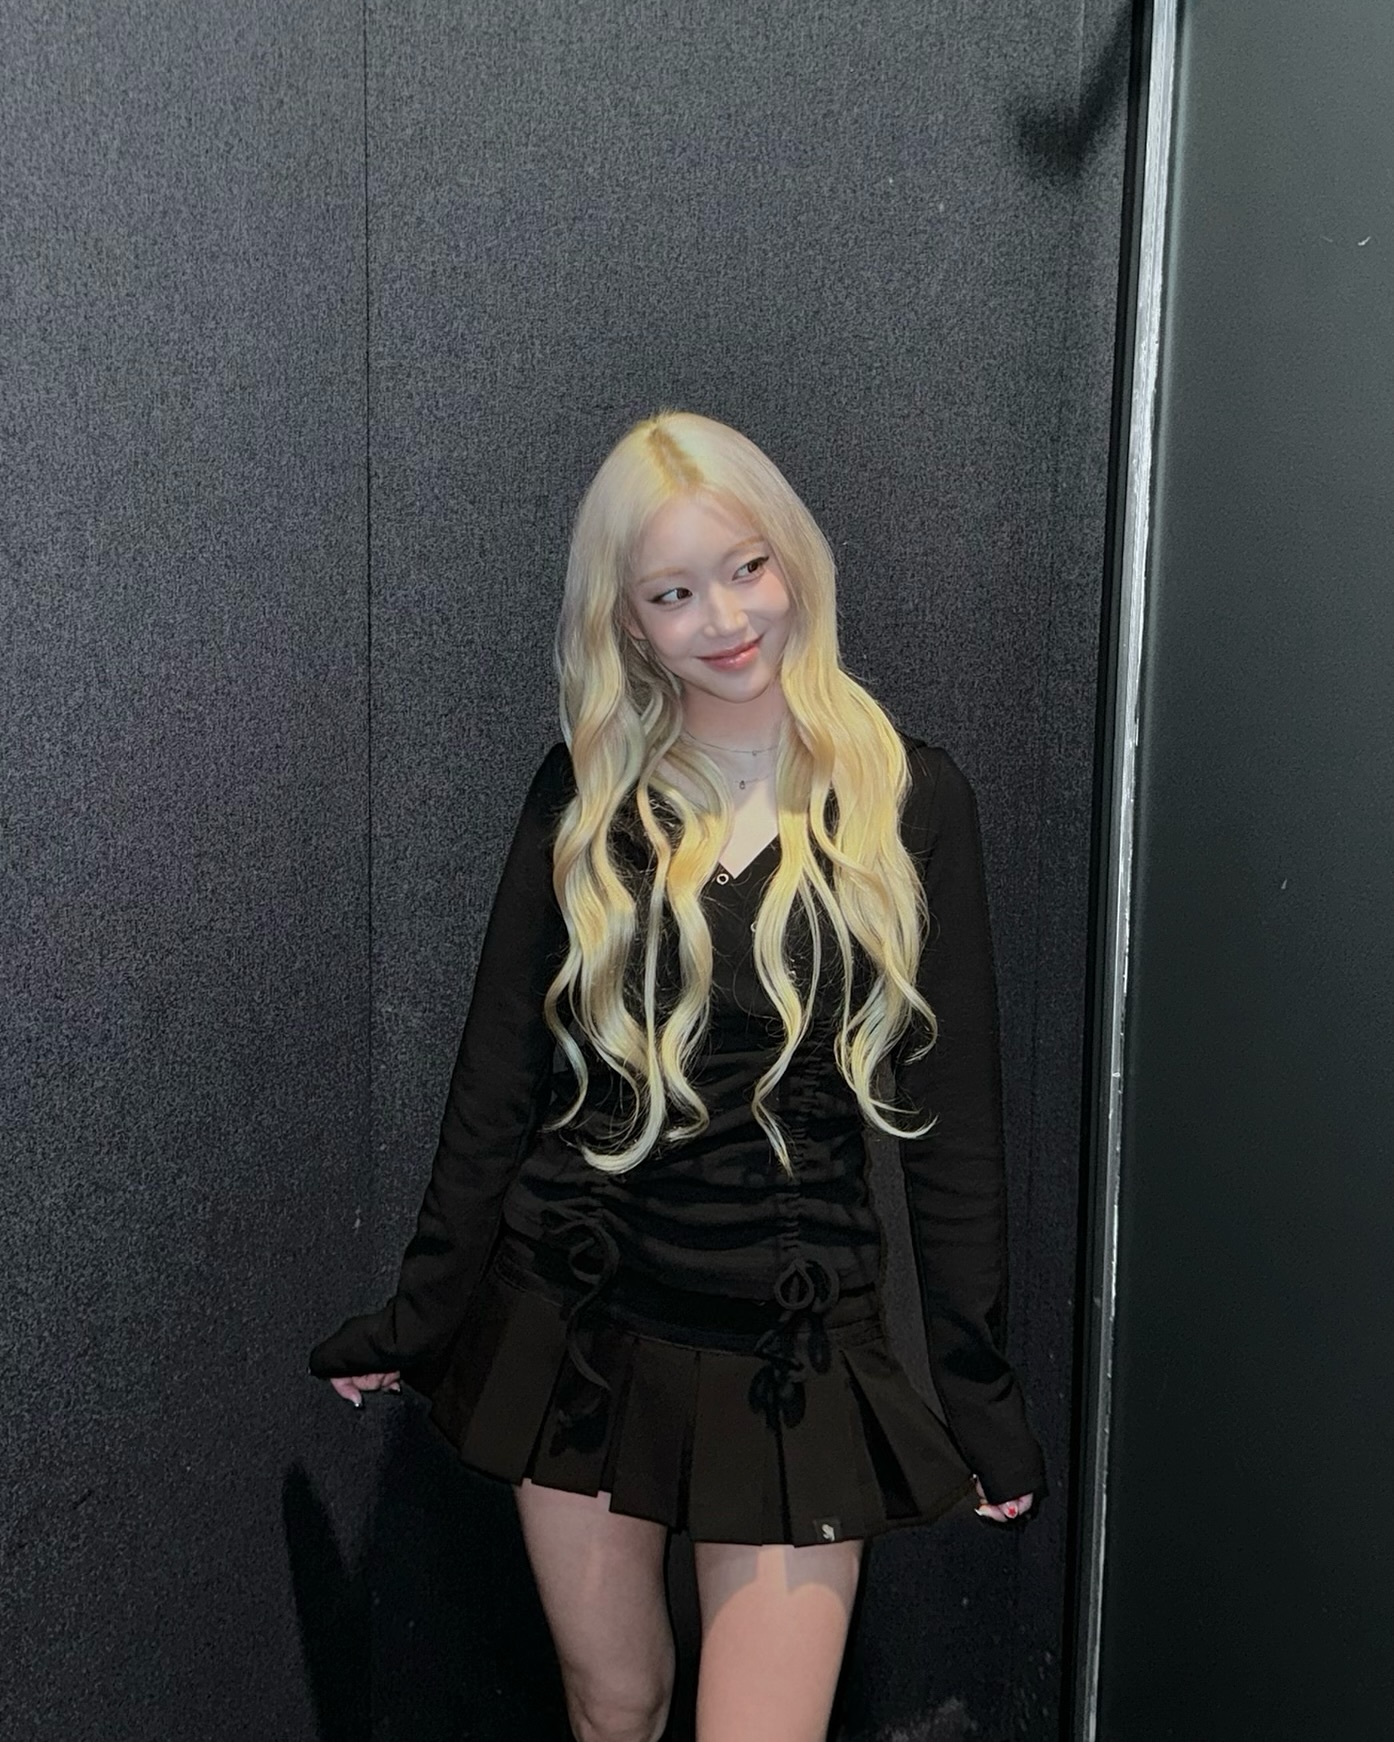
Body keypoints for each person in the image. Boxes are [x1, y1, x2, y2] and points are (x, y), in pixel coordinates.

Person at [309, 410, 1044, 1742]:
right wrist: (419, 1317)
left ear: (793, 559)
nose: (725, 617)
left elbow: (955, 1136)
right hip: (578, 1316)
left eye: (745, 567)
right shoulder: (584, 796)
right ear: (630, 624)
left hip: (793, 1341)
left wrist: (977, 1396)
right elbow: (495, 1085)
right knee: (615, 1703)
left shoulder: (909, 799)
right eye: (674, 592)